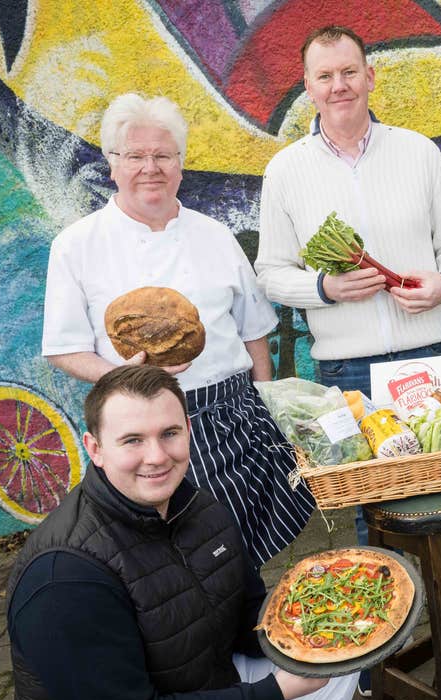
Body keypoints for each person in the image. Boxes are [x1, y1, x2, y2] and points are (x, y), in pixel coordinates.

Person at [254, 27, 441, 651]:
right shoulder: (286, 171)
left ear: (370, 77)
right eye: (324, 76)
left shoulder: (417, 152)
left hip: (430, 355)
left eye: (349, 72)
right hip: (348, 371)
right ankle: (384, 633)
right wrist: (325, 288)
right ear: (308, 88)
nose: (338, 85)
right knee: (373, 511)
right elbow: (270, 272)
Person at [7, 365, 358, 700]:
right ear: (96, 449)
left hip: (200, 694)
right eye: (133, 440)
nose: (156, 456)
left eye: (169, 434)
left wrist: (322, 617)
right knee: (302, 681)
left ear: (188, 431)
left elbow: (248, 615)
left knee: (336, 664)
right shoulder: (64, 577)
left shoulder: (200, 507)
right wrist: (273, 693)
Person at [41, 93, 313, 568]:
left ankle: (250, 628)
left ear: (180, 165)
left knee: (243, 548)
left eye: (163, 155)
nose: (151, 167)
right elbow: (64, 349)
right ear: (112, 165)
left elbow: (254, 332)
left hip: (233, 415)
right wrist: (117, 375)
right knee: (176, 561)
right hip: (147, 432)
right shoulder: (76, 246)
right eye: (135, 156)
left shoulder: (214, 234)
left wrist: (268, 401)